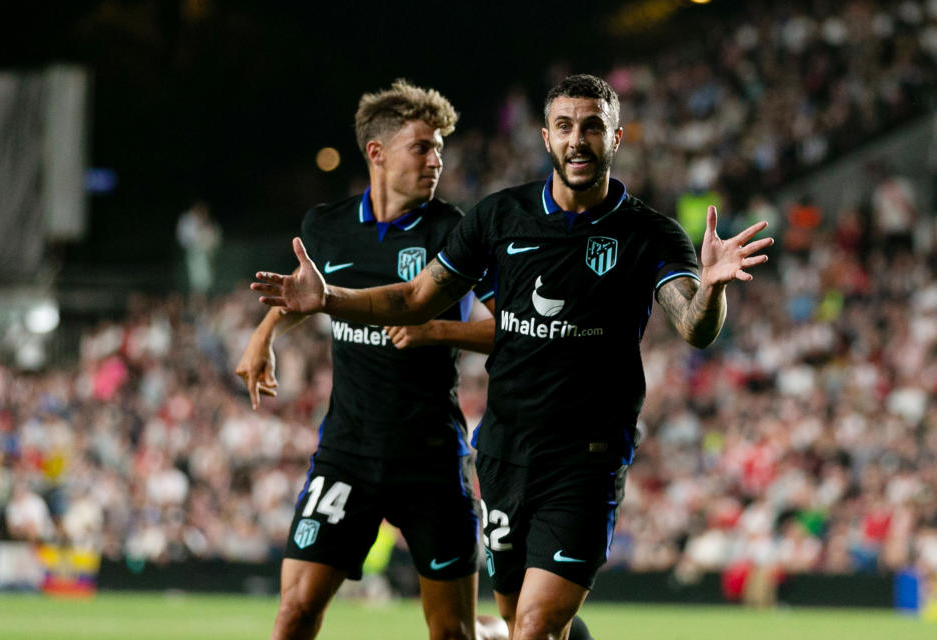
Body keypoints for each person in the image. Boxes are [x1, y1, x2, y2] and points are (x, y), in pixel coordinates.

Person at [251, 74, 773, 639]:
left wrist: (713, 287)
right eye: (565, 127)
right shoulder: (498, 219)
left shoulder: (650, 233)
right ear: (545, 137)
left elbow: (695, 329)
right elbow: (414, 298)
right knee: (511, 618)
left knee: (533, 625)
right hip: (503, 451)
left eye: (593, 127)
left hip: (585, 457)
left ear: (616, 137)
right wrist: (327, 299)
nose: (578, 140)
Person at [236, 79, 506, 640]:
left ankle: (503, 634)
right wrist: (264, 333)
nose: (436, 160)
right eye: (422, 147)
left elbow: (515, 329)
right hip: (348, 453)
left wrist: (435, 330)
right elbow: (306, 296)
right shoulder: (326, 227)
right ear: (376, 153)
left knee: (452, 633)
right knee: (295, 611)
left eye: (439, 148)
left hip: (431, 457)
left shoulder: (456, 232)